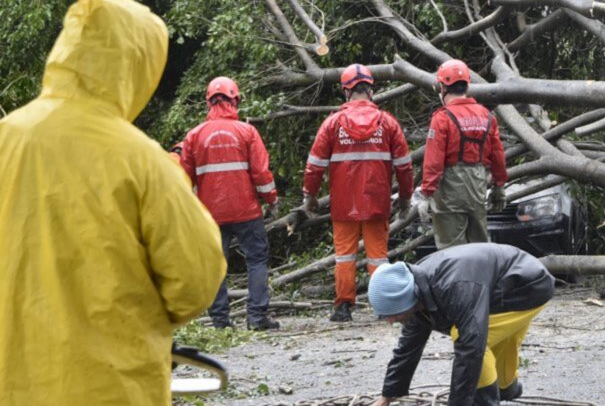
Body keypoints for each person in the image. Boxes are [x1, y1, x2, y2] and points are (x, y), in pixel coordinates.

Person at [0, 0, 225, 405]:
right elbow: (195, 278)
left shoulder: (6, 139)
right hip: (109, 386)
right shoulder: (142, 160)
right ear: (138, 64)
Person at [368, 243, 555, 405]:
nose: (390, 321)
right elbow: (408, 346)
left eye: (392, 314)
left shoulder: (452, 288)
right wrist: (388, 395)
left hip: (527, 285)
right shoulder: (415, 287)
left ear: (406, 299)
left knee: (470, 338)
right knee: (494, 340)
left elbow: (471, 349)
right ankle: (506, 388)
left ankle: (486, 401)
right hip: (503, 280)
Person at [303, 63, 414, 322]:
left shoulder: (332, 123)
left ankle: (343, 307)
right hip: (377, 202)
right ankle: (383, 306)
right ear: (371, 90)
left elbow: (315, 166)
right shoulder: (387, 123)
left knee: (344, 256)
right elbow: (404, 166)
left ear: (346, 92)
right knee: (378, 256)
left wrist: (309, 196)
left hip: (343, 203)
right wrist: (406, 198)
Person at [181, 75, 281, 330]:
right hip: (246, 210)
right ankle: (257, 318)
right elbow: (261, 172)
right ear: (235, 99)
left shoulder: (194, 136)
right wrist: (271, 200)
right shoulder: (247, 132)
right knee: (256, 261)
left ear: (208, 103)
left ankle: (220, 322)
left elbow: (184, 178)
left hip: (210, 213)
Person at [417, 59, 509, 249]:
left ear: (442, 87)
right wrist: (499, 187)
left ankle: (454, 279)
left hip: (450, 189)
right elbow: (498, 155)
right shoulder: (487, 116)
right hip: (477, 185)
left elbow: (434, 161)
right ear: (467, 85)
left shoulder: (442, 118)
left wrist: (426, 194)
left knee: (451, 250)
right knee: (479, 246)